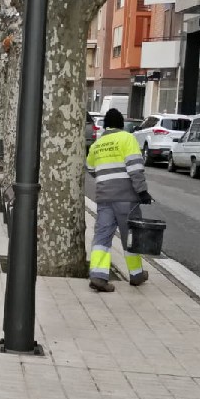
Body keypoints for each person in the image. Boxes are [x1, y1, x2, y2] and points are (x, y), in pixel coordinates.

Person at [86, 108, 151, 292]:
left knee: (102, 236)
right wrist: (142, 191)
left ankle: (98, 276)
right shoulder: (127, 138)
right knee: (130, 236)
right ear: (121, 125)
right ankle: (136, 274)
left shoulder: (97, 144)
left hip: (104, 197)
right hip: (126, 198)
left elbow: (90, 168)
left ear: (105, 125)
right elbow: (135, 167)